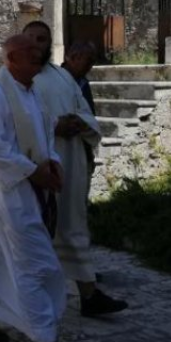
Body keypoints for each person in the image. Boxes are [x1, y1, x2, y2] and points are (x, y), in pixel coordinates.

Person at [0, 34, 87, 342]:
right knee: (37, 266)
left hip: (32, 190)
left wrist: (52, 161)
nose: (41, 63)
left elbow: (45, 133)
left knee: (6, 258)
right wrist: (33, 171)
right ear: (12, 59)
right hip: (10, 195)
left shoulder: (31, 93)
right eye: (34, 58)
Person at [24, 21, 126, 317]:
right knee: (35, 238)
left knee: (72, 229)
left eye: (42, 40)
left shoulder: (62, 78)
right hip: (36, 171)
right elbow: (13, 121)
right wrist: (55, 125)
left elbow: (85, 111)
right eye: (30, 39)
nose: (36, 45)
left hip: (69, 166)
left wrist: (81, 124)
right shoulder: (15, 78)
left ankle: (89, 296)